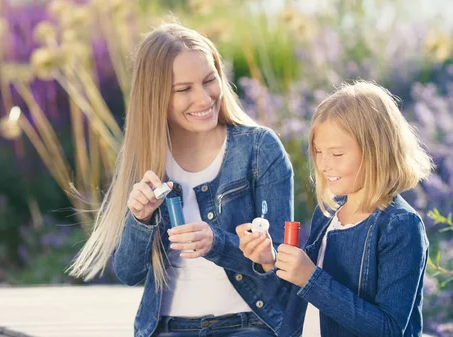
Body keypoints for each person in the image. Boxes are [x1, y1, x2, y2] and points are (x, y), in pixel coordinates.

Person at [67, 22, 294, 337]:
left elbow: (281, 264)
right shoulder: (145, 160)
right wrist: (141, 219)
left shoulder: (260, 149)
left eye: (209, 80)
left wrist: (218, 243)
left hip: (250, 324)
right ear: (156, 97)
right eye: (184, 89)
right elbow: (128, 272)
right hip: (167, 327)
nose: (203, 99)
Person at [237, 80, 434, 337]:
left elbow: (389, 329)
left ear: (377, 151)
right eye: (318, 152)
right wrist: (269, 262)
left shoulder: (400, 226)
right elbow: (299, 302)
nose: (323, 164)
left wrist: (311, 278)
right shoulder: (329, 212)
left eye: (337, 154)